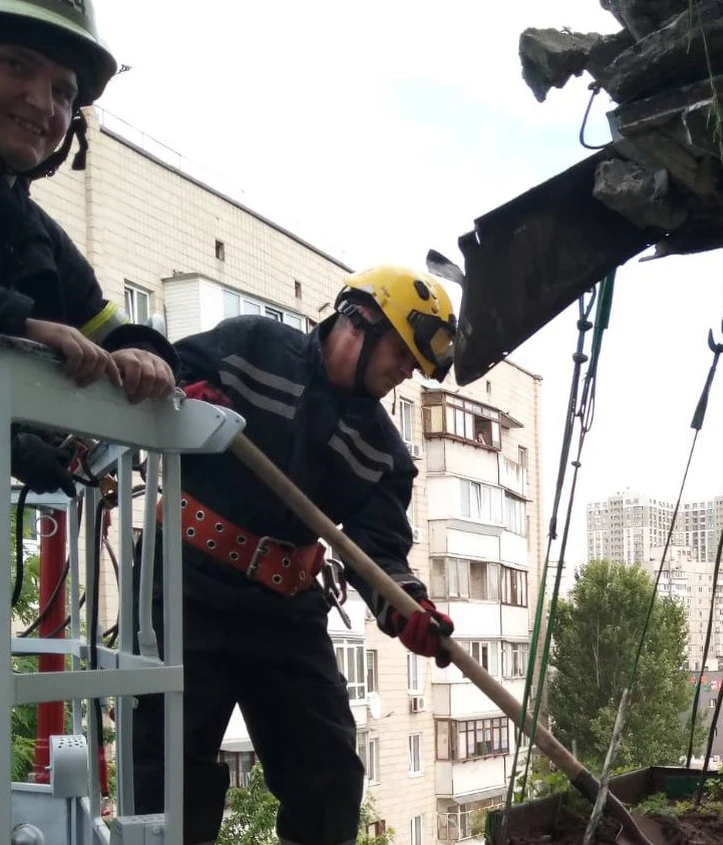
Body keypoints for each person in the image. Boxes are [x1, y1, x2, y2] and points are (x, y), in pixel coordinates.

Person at [131, 265, 460, 845]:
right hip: (184, 590)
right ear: (358, 320)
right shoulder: (250, 347)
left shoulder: (383, 454)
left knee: (329, 779)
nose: (406, 371)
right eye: (403, 353)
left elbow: (377, 551)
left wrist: (407, 606)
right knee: (170, 782)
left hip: (282, 610)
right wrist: (181, 399)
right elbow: (162, 378)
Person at [0, 0, 179, 494]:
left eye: (63, 92)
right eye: (17, 64)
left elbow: (102, 325)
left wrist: (142, 355)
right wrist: (23, 327)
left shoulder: (35, 234)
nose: (41, 103)